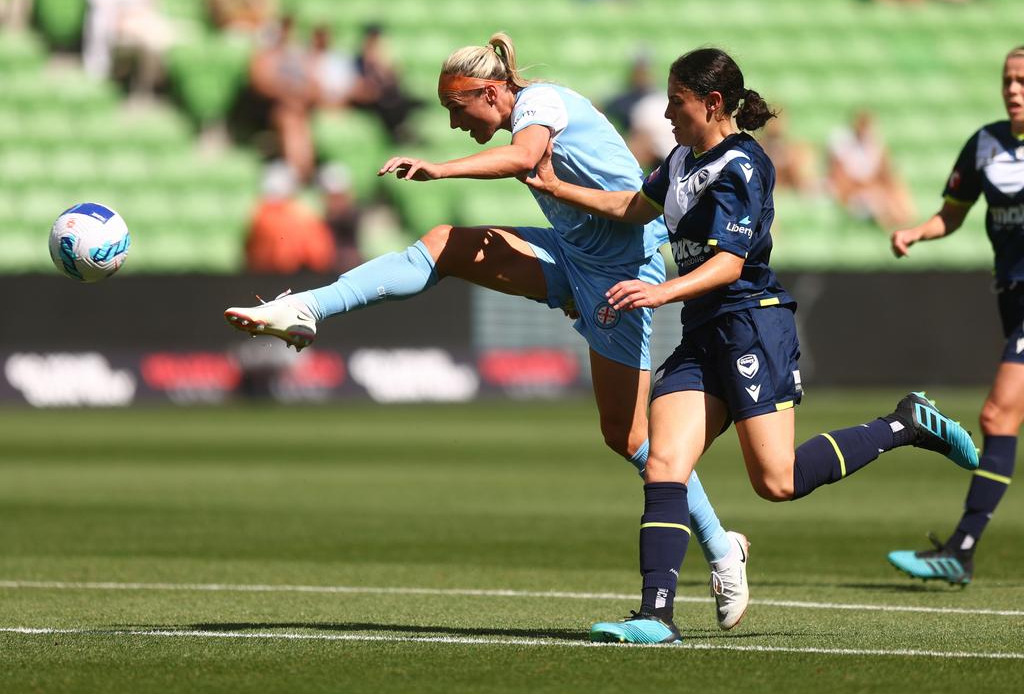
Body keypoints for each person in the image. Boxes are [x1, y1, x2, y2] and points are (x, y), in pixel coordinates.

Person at [224, 32, 753, 631]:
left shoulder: (541, 104)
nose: (453, 124)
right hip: (574, 256)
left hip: (622, 273)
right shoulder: (524, 110)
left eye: (457, 108)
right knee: (444, 244)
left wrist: (442, 170)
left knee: (629, 435)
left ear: (492, 91)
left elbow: (526, 158)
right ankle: (309, 308)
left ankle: (721, 547)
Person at [520, 47, 979, 644]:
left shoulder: (742, 165)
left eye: (676, 101)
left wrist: (660, 295)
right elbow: (636, 207)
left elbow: (731, 266)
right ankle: (656, 616)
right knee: (664, 462)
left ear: (712, 104)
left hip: (751, 325)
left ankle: (906, 423)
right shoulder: (683, 156)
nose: (665, 112)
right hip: (703, 329)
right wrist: (559, 187)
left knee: (776, 481)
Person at [886, 45, 1024, 585]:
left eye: (1023, 80)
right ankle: (960, 553)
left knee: (996, 416)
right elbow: (953, 214)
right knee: (1004, 419)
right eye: (1008, 79)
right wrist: (919, 231)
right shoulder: (985, 144)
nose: (1014, 89)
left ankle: (961, 550)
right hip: (1010, 297)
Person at [248, 17, 320, 182]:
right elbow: (260, 83)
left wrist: (299, 97)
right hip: (272, 109)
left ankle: (305, 172)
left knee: (299, 125)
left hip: (298, 108)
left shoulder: (299, 56)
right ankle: (297, 174)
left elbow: (314, 85)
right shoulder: (266, 55)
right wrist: (287, 96)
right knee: (290, 122)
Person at [827, 109, 915, 229]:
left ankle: (905, 222)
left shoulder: (873, 144)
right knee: (878, 200)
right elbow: (840, 179)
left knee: (897, 190)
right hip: (854, 194)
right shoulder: (843, 143)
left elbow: (885, 171)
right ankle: (893, 228)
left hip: (870, 189)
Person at [245, 161, 336, 274]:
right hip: (286, 276)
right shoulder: (305, 214)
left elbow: (319, 256)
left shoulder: (259, 213)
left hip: (295, 275)